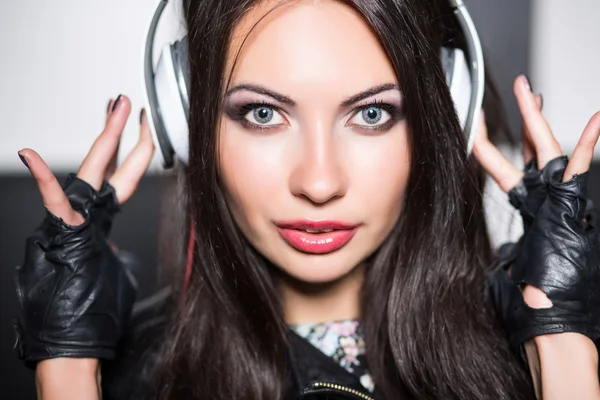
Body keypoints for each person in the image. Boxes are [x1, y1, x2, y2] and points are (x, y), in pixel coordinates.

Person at [12, 0, 600, 399]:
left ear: (443, 115)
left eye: (372, 114)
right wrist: (68, 369)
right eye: (263, 114)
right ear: (187, 123)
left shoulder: (532, 356)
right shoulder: (137, 378)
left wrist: (560, 342)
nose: (318, 183)